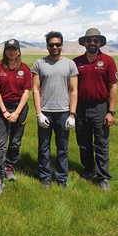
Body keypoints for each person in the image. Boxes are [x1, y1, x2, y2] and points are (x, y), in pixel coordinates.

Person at [73, 28, 118, 192]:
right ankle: (88, 170)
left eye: (95, 40)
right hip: (80, 107)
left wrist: (110, 111)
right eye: (89, 40)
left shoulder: (108, 61)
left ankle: (103, 177)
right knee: (83, 142)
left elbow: (113, 86)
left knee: (101, 143)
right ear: (84, 43)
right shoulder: (76, 62)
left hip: (100, 106)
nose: (92, 43)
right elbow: (71, 87)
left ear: (100, 43)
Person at [31, 31, 78, 188]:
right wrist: (38, 113)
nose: (55, 47)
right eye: (51, 45)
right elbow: (36, 90)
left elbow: (73, 90)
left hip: (64, 113)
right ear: (47, 46)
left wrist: (72, 114)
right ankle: (45, 178)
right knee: (43, 147)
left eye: (58, 44)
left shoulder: (70, 64)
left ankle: (61, 179)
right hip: (45, 112)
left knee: (62, 148)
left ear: (62, 45)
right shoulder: (39, 64)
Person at [0, 39, 32, 195]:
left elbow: (27, 92)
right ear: (5, 51)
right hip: (2, 107)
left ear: (19, 51)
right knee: (0, 143)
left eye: (14, 49)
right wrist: (5, 112)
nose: (11, 52)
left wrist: (16, 113)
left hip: (19, 108)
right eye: (8, 49)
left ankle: (9, 167)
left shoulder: (25, 69)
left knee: (15, 142)